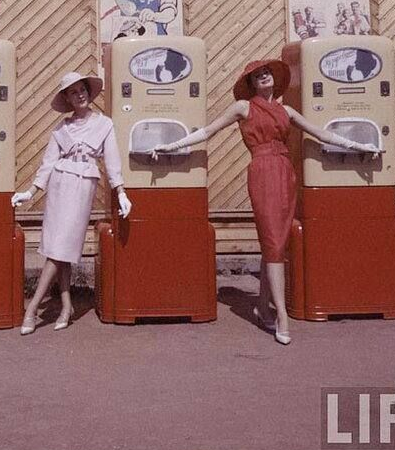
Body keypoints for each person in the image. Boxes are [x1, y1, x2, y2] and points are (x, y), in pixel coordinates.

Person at [151, 59, 378, 344]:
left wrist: (360, 145)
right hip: (262, 172)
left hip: (285, 172)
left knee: (277, 241)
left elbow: (321, 133)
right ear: (251, 84)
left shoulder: (287, 110)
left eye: (267, 72)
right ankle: (282, 315)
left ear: (274, 78)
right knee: (273, 240)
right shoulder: (243, 107)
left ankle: (262, 307)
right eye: (257, 75)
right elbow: (208, 131)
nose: (264, 77)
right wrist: (170, 145)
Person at [12, 73, 131, 334]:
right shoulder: (61, 129)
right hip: (58, 186)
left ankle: (32, 309)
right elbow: (48, 164)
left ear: (88, 92)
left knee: (60, 247)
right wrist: (30, 192)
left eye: (82, 89)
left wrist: (121, 192)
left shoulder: (104, 124)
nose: (80, 95)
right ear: (67, 98)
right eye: (73, 92)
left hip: (81, 186)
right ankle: (67, 307)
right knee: (59, 249)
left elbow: (112, 162)